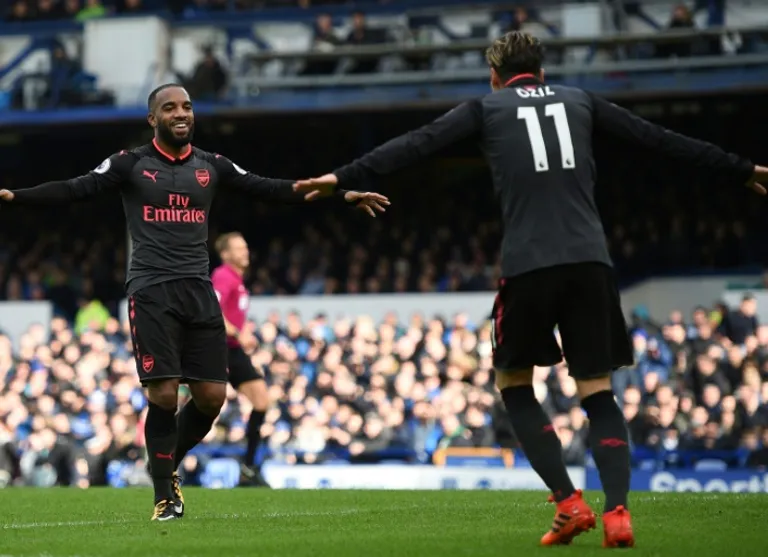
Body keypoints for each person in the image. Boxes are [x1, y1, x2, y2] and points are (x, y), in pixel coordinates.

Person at [293, 31, 767, 548]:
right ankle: (618, 514)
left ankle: (568, 503)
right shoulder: (581, 100)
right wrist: (741, 170)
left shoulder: (485, 108)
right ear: (542, 72)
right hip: (590, 261)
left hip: (529, 265)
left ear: (494, 77)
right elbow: (659, 139)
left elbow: (417, 143)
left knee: (514, 382)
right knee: (598, 392)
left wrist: (342, 178)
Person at [0, 83, 389, 521]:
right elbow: (76, 188)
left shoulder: (212, 165)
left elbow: (271, 188)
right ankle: (164, 495)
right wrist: (16, 196)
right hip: (151, 289)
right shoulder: (130, 163)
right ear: (153, 119)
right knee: (165, 394)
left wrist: (342, 194)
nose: (181, 113)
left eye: (186, 106)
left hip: (198, 291)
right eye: (170, 108)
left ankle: (163, 462)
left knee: (211, 397)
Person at [211, 232, 270, 486]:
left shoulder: (237, 280)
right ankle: (164, 460)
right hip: (216, 348)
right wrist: (238, 332)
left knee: (262, 401)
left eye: (245, 247)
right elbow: (213, 310)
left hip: (233, 350)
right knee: (204, 407)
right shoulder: (223, 276)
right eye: (238, 248)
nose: (245, 252)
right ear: (225, 254)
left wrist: (241, 334)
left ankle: (248, 467)